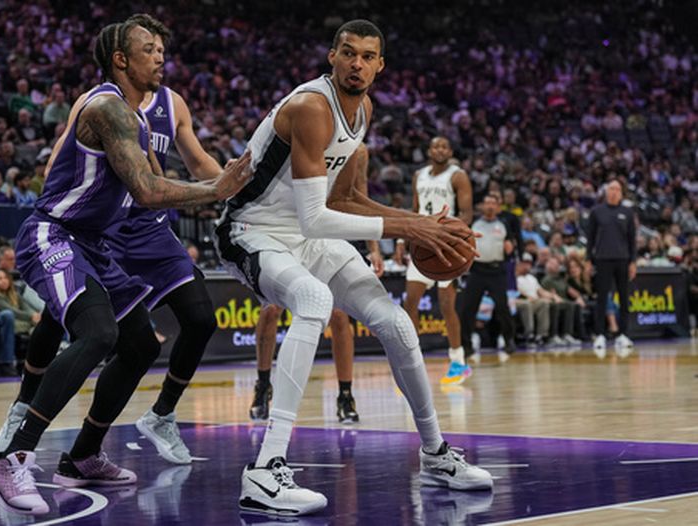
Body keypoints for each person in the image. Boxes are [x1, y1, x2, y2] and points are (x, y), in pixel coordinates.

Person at [214, 20, 491, 517]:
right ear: (332, 57)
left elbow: (343, 198)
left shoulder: (362, 110)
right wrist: (409, 230)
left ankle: (434, 454)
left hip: (304, 234)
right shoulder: (311, 108)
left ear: (380, 65)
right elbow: (315, 217)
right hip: (251, 232)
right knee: (315, 301)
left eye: (368, 56)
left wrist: (421, 222)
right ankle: (265, 468)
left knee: (396, 322)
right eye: (348, 53)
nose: (357, 63)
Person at [0, 18, 250, 516]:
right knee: (98, 333)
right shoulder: (107, 107)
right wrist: (217, 189)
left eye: (162, 49)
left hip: (96, 243)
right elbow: (148, 191)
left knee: (141, 343)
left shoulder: (140, 116)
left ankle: (83, 454)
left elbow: (152, 186)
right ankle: (11, 455)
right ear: (120, 60)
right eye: (149, 50)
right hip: (55, 234)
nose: (160, 57)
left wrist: (228, 186)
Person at [250, 144, 384, 424]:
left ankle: (345, 394)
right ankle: (263, 383)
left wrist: (374, 247)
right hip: (284, 229)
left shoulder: (357, 150)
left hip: (328, 232)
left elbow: (359, 196)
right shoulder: (294, 133)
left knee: (338, 313)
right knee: (271, 310)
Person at [402, 137, 473, 386]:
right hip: (422, 244)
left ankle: (458, 360)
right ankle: (413, 362)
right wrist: (403, 240)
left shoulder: (458, 176)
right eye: (435, 146)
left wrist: (457, 239)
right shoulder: (419, 175)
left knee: (446, 305)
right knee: (410, 302)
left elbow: (466, 213)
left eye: (444, 146)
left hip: (446, 244)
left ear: (450, 151)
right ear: (429, 151)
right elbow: (414, 210)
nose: (440, 150)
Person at [459, 194, 516, 360]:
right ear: (482, 206)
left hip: (496, 270)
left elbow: (510, 244)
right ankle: (466, 344)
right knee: (469, 308)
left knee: (502, 307)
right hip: (477, 270)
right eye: (487, 202)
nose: (490, 206)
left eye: (493, 203)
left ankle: (508, 340)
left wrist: (510, 248)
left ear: (498, 207)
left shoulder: (503, 224)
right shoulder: (474, 223)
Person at [586, 180, 636, 356]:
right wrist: (588, 260)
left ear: (621, 193)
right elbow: (590, 238)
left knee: (624, 298)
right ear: (606, 192)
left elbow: (632, 240)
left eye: (617, 189)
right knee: (602, 298)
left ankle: (624, 334)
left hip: (623, 259)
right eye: (611, 189)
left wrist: (633, 262)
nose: (614, 192)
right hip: (602, 259)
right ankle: (600, 334)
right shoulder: (596, 212)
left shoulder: (627, 213)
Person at [0, 269, 41, 336]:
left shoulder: (14, 294)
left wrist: (35, 314)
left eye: (6, 278)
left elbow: (25, 306)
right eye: (0, 279)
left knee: (38, 326)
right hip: (7, 324)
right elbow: (12, 311)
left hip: (22, 319)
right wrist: (32, 316)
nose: (4, 281)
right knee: (37, 325)